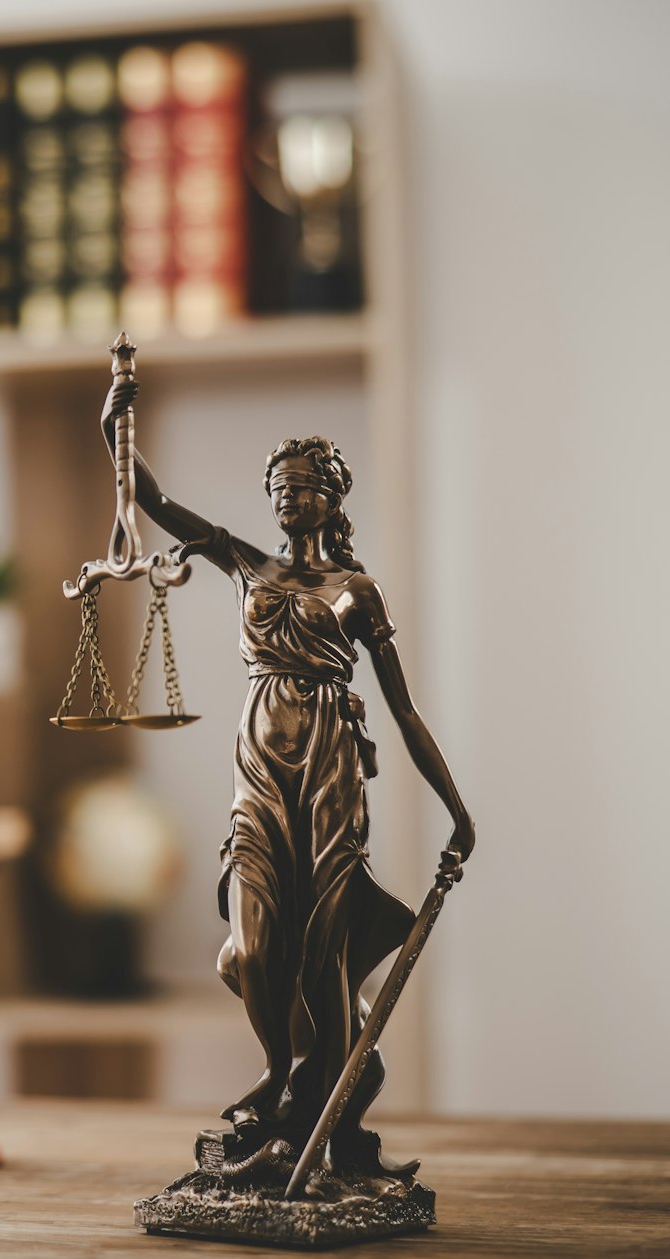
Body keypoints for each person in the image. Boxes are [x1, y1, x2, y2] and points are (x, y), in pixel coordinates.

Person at [101, 377, 473, 1177]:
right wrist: (116, 428)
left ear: (333, 498)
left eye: (303, 487)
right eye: (280, 487)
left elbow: (405, 711)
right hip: (259, 767)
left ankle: (327, 1129)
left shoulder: (355, 592)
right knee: (256, 938)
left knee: (326, 952)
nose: (288, 498)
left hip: (332, 767)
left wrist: (457, 809)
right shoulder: (246, 562)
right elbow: (155, 501)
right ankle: (280, 1070)